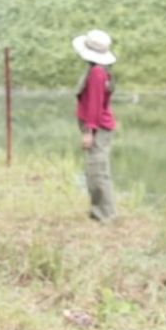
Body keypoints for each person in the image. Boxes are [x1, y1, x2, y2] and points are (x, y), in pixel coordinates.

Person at [73, 28, 117, 221]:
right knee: (94, 169)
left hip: (98, 128)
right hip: (97, 126)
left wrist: (89, 131)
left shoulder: (97, 73)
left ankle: (105, 214)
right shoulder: (97, 70)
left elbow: (95, 104)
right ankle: (97, 210)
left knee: (98, 170)